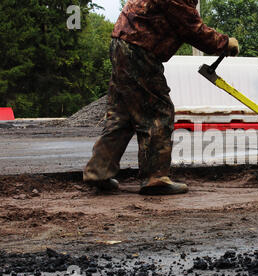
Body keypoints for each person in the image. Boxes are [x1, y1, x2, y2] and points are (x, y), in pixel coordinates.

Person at [83, 0, 239, 195]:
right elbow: (191, 28)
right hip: (138, 48)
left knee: (121, 113)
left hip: (123, 44)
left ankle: (99, 171)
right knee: (158, 112)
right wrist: (223, 43)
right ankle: (154, 178)